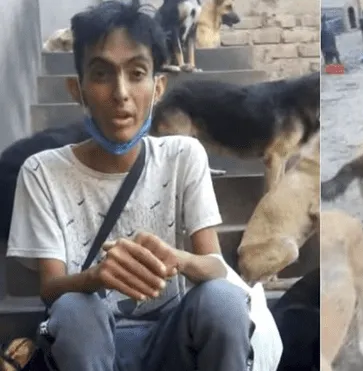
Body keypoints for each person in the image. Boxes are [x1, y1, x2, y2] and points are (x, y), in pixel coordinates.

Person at [6, 1, 254, 370]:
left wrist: (179, 258)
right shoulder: (42, 172)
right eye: (102, 74)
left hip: (175, 336)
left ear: (158, 87)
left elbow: (216, 267)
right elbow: (50, 288)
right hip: (91, 343)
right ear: (78, 89)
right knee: (72, 307)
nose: (121, 93)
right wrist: (93, 278)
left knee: (224, 300)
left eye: (137, 73)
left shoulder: (183, 155)